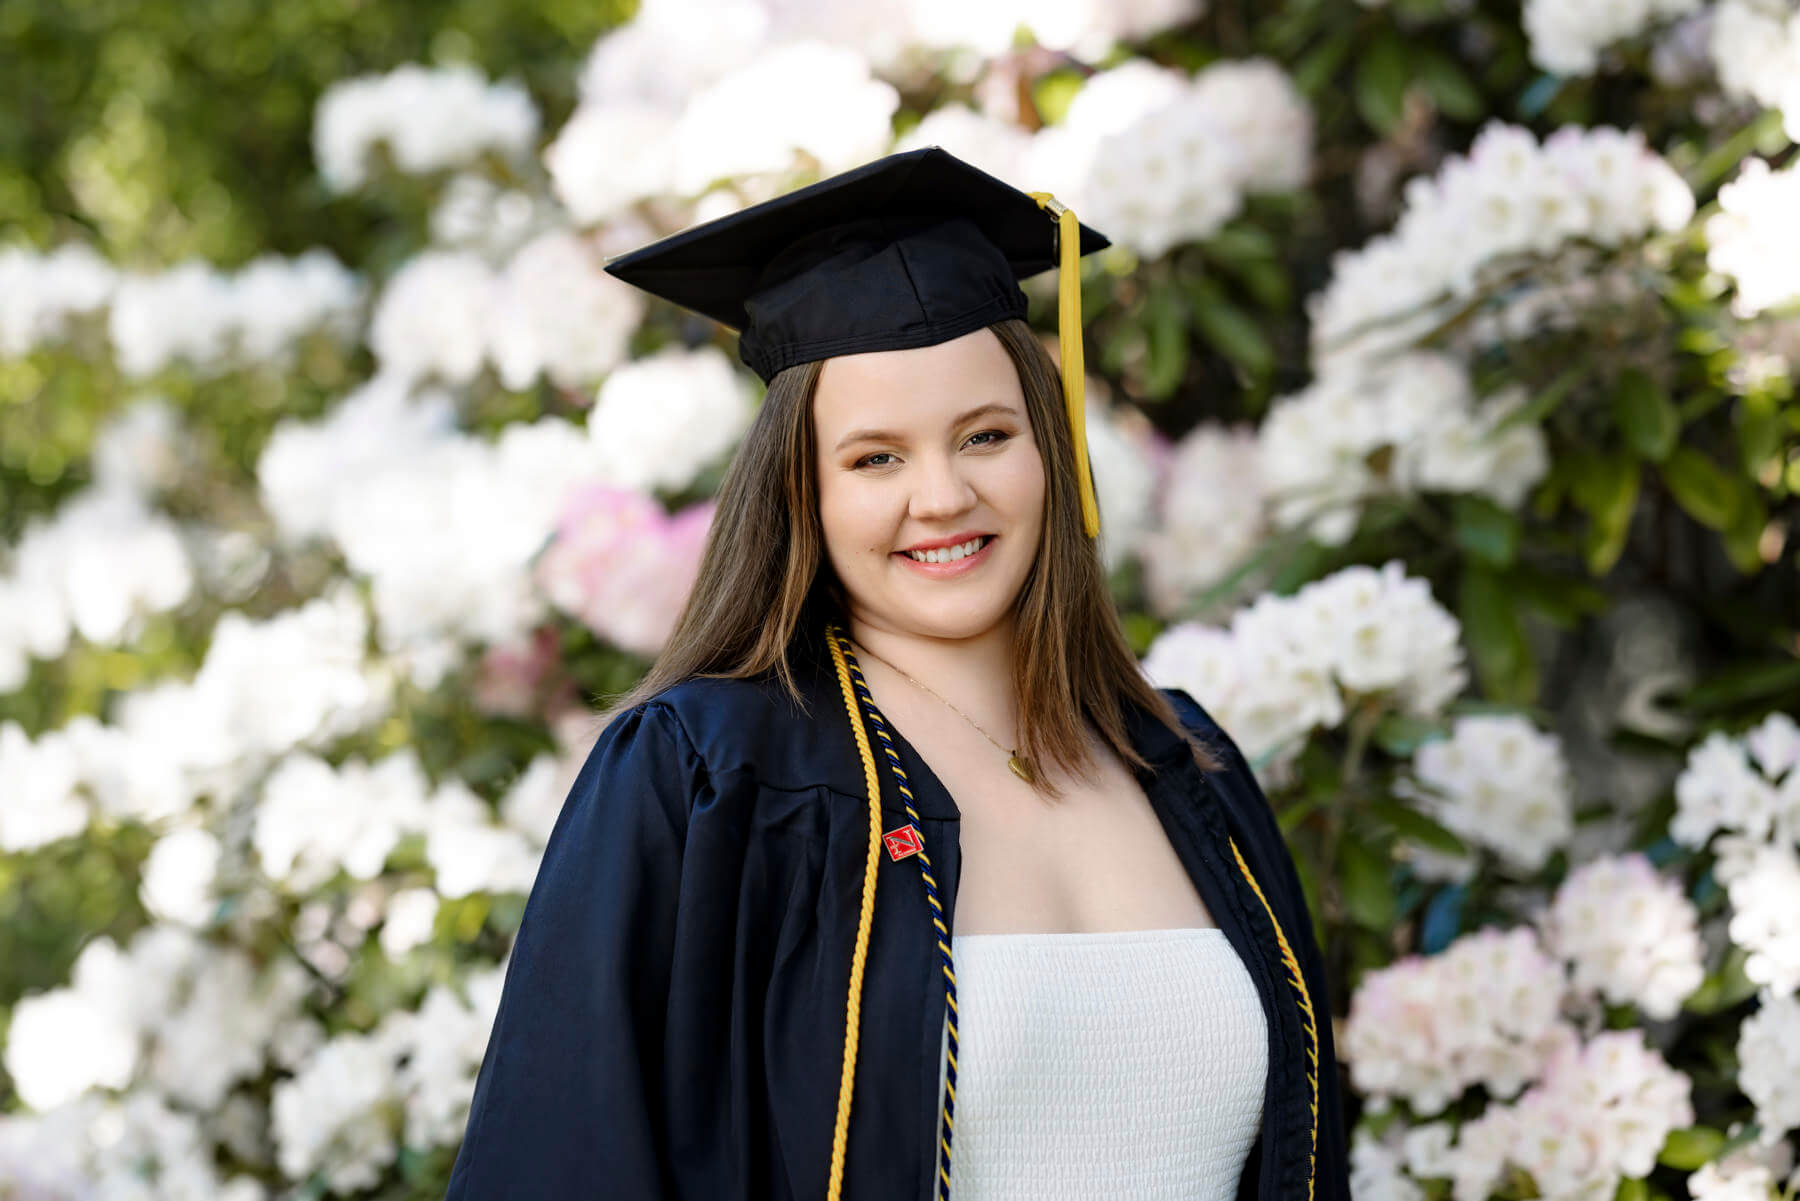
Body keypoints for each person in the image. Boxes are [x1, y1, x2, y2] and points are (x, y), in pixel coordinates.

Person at [444, 146, 1350, 1201]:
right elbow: (559, 1165)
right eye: (876, 456)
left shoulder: (1182, 760)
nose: (943, 495)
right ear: (802, 490)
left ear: (1049, 451)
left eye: (986, 435)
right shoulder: (710, 775)